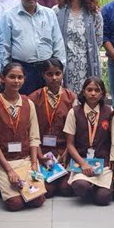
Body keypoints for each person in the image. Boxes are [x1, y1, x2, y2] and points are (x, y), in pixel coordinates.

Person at [0, 63, 47, 211]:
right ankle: (0, 186)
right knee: (15, 204)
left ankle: (7, 187)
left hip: (26, 159)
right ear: (2, 78)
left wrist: (34, 163)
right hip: (4, 161)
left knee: (37, 199)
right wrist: (9, 171)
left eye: (20, 77)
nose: (16, 81)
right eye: (11, 77)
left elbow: (34, 137)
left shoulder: (28, 104)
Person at [3, 0, 66, 95]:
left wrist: (60, 71)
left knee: (47, 105)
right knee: (24, 105)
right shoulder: (9, 16)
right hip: (23, 70)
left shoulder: (49, 14)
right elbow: (4, 47)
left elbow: (58, 43)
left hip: (47, 69)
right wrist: (7, 73)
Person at [28, 59, 77, 197]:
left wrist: (67, 152)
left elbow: (75, 131)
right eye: (50, 74)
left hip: (64, 151)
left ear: (63, 74)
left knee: (66, 189)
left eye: (58, 73)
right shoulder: (33, 98)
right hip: (41, 150)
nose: (54, 78)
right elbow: (31, 131)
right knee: (47, 191)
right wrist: (39, 155)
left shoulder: (71, 98)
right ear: (43, 75)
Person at [65, 76, 114, 206]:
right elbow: (70, 144)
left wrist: (113, 161)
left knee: (103, 199)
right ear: (83, 91)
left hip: (102, 163)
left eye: (97, 90)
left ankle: (99, 189)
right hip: (81, 161)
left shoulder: (109, 111)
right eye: (89, 89)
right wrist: (83, 164)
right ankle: (89, 187)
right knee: (80, 186)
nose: (93, 93)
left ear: (103, 93)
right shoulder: (74, 112)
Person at [55, 0, 104, 94]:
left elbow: (98, 40)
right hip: (64, 63)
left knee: (87, 96)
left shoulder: (94, 13)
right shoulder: (56, 11)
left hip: (86, 63)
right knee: (66, 98)